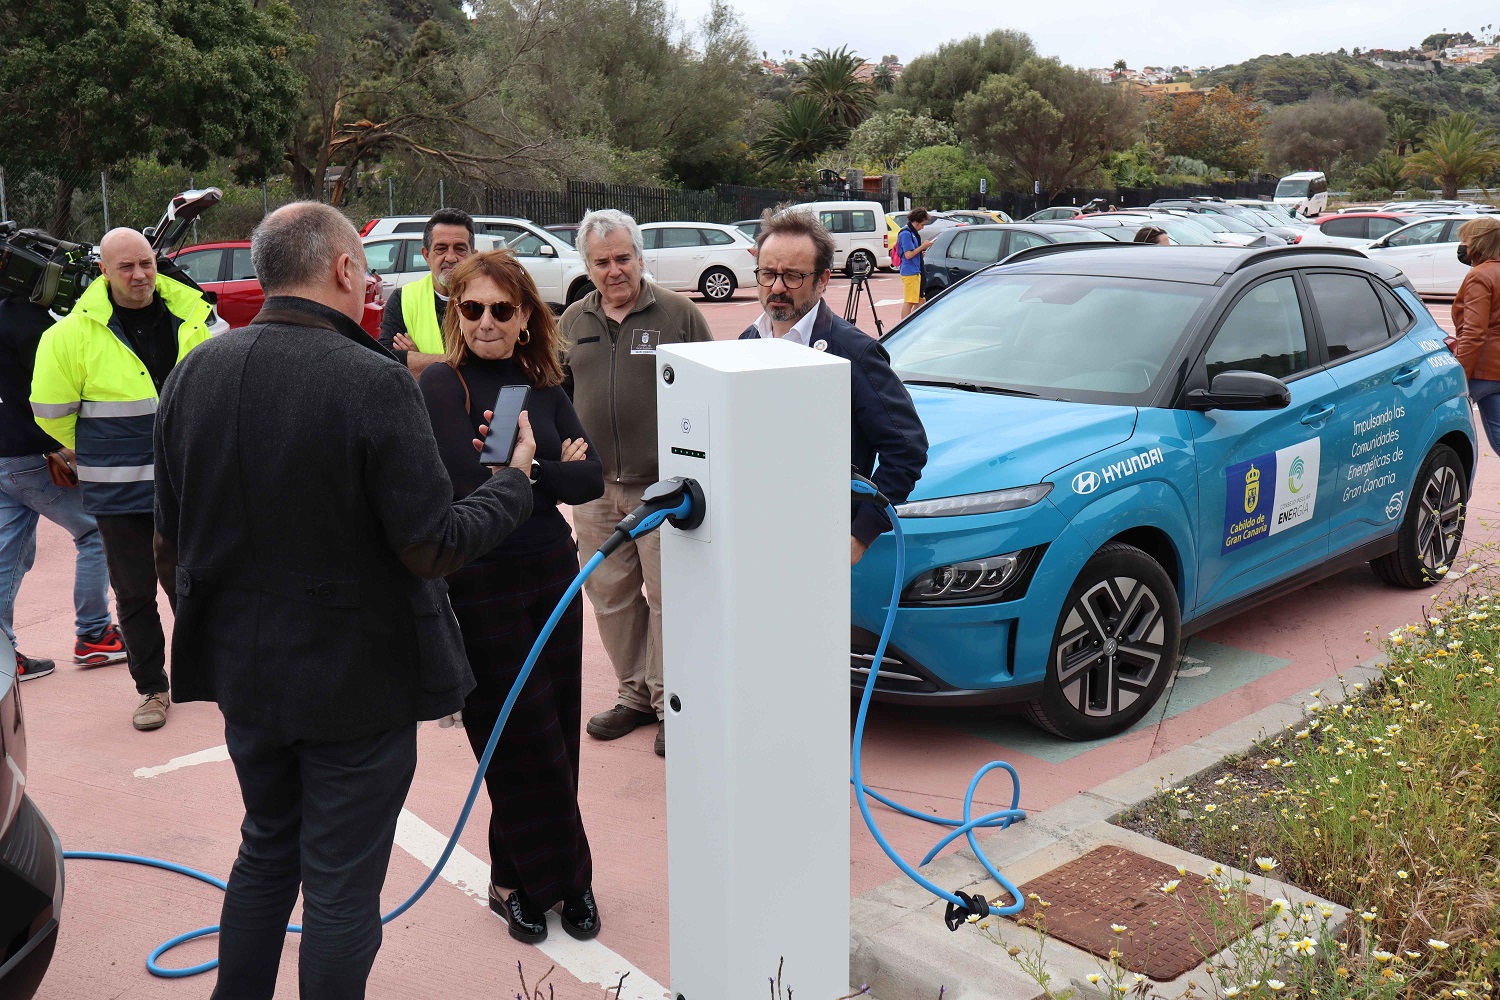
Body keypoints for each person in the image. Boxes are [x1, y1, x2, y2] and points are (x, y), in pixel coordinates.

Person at [154, 202, 537, 1000]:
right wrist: (512, 484)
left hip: (246, 678)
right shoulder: (371, 380)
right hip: (354, 688)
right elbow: (432, 543)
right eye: (361, 265)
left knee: (265, 850)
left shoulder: (196, 371)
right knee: (338, 887)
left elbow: (171, 537)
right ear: (340, 270)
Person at [419, 249, 605, 944]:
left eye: (502, 308)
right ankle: (541, 880)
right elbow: (468, 486)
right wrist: (540, 471)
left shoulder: (545, 387)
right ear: (456, 315)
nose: (488, 321)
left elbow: (595, 482)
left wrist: (527, 471)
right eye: (473, 309)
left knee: (555, 730)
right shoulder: (443, 385)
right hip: (481, 583)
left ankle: (549, 878)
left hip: (553, 572)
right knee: (515, 739)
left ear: (527, 315)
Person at [31, 227, 212, 729]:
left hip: (186, 483)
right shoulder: (69, 335)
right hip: (117, 487)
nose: (140, 275)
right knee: (133, 593)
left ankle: (212, 675)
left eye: (147, 264)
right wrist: (104, 447)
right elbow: (52, 414)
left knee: (192, 584)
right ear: (103, 272)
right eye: (126, 267)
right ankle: (152, 688)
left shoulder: (195, 316)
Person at [561, 208, 713, 758]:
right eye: (601, 262)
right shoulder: (572, 321)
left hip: (662, 491)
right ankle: (632, 696)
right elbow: (556, 391)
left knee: (669, 597)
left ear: (640, 258)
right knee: (610, 597)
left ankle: (670, 698)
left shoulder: (678, 315)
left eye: (623, 258)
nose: (614, 270)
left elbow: (709, 389)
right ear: (588, 265)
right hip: (595, 489)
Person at [740, 208, 928, 562]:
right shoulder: (746, 341)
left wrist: (860, 534)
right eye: (768, 274)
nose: (777, 288)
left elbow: (907, 450)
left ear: (823, 279)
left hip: (821, 545)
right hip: (756, 534)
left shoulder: (854, 353)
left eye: (793, 276)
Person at [1, 293, 126, 679]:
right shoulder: (30, 322)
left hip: (5, 457)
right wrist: (63, 445)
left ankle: (3, 655)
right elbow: (52, 392)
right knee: (95, 530)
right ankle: (95, 636)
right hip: (34, 457)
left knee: (7, 555)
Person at [379, 208, 475, 376]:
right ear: (426, 255)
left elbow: (491, 364)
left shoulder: (486, 301)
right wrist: (460, 362)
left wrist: (417, 359)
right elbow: (386, 360)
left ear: (472, 255)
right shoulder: (404, 299)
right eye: (441, 248)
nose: (451, 258)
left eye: (460, 249)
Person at [1451, 216, 1500, 454]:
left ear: (1480, 243)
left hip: (1483, 370)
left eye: (1467, 241)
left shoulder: (1480, 276)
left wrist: (1459, 374)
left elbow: (1474, 332)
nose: (1463, 247)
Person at [897, 208, 935, 319]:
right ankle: (903, 326)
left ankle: (912, 323)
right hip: (910, 272)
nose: (922, 227)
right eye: (922, 225)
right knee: (910, 301)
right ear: (916, 222)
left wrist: (919, 253)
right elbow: (908, 255)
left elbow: (912, 253)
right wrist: (922, 247)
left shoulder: (911, 232)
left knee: (920, 301)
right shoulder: (906, 234)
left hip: (915, 270)